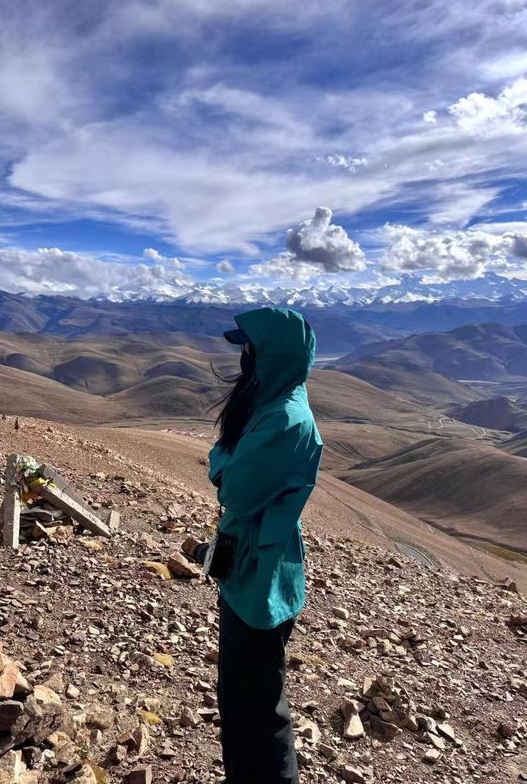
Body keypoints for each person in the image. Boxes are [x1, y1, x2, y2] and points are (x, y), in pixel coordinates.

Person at [183, 306, 323, 784]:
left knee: (258, 708)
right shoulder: (273, 404)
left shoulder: (284, 420)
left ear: (269, 355)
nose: (242, 357)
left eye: (249, 347)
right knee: (242, 700)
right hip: (249, 567)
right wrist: (231, 456)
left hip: (261, 579)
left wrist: (223, 453)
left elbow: (233, 488)